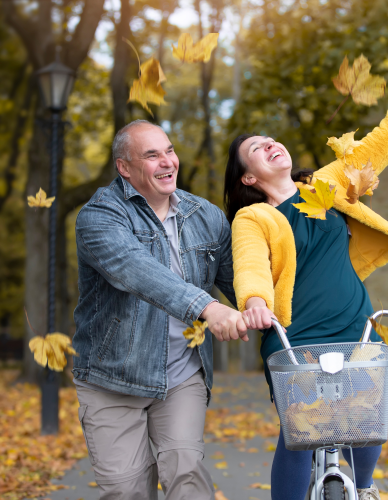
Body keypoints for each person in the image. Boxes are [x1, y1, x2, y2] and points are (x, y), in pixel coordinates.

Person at [224, 29, 388, 500]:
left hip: (355, 322)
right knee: (300, 433)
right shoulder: (254, 216)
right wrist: (255, 302)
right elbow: (249, 266)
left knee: (368, 421)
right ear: (249, 177)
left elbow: (384, 140)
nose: (270, 146)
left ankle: (364, 490)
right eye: (256, 150)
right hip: (294, 334)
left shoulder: (324, 187)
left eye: (271, 140)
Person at [72, 119, 248, 499]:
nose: (167, 161)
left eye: (169, 150)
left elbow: (243, 282)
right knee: (126, 490)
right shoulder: (100, 217)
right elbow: (136, 270)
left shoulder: (206, 215)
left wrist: (266, 306)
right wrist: (207, 308)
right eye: (151, 155)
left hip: (182, 374)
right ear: (124, 167)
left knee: (187, 473)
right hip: (112, 377)